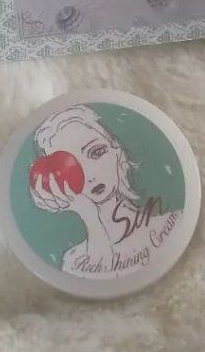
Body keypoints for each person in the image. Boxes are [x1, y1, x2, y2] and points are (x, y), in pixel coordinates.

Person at [28, 103, 181, 276]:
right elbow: (101, 275)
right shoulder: (74, 262)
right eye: (69, 168)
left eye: (97, 152)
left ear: (117, 152)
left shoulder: (173, 224)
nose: (90, 174)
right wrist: (90, 217)